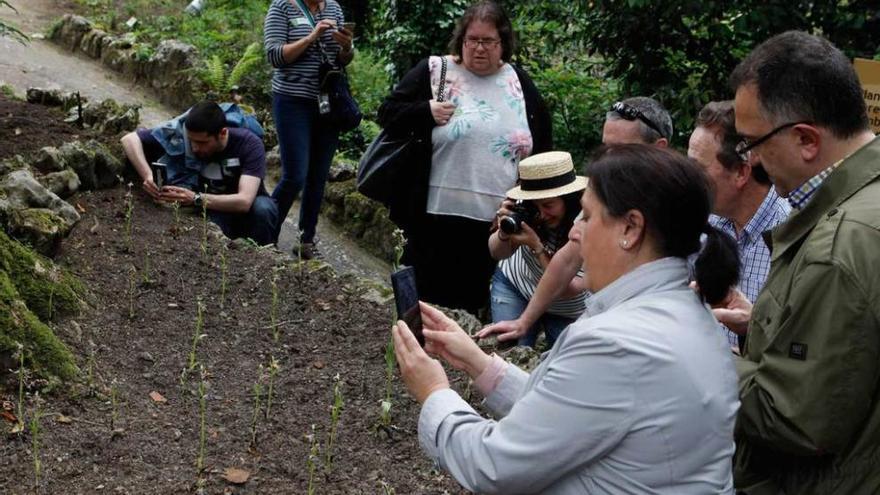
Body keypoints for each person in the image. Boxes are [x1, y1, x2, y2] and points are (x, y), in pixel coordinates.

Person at [392, 145, 740, 494]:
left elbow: (494, 465)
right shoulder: (692, 315)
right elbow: (568, 411)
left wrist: (434, 392)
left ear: (631, 229)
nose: (575, 231)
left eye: (587, 216)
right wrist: (477, 362)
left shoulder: (617, 344)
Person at [714, 31, 880, 494]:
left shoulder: (837, 245)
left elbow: (795, 419)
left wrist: (705, 351)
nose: (752, 162)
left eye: (751, 144)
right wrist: (769, 325)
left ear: (806, 139)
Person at [377, 0, 552, 314]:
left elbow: (541, 146)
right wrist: (425, 112)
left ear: (504, 43)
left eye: (489, 41)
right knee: (423, 305)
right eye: (473, 40)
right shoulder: (435, 71)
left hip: (490, 222)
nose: (480, 49)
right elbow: (387, 113)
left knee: (470, 306)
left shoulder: (518, 83)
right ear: (461, 39)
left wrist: (529, 204)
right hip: (432, 216)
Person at [478, 96, 671, 341]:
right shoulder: (604, 195)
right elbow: (567, 260)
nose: (609, 159)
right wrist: (524, 321)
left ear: (659, 147)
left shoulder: (676, 202)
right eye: (605, 148)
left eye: (621, 150)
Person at [687, 101, 791, 349]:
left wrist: (753, 326)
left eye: (698, 168)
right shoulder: (705, 222)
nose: (688, 177)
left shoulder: (792, 235)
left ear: (741, 173)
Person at [263, 0, 354, 258]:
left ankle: (306, 239)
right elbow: (275, 56)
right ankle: (265, 232)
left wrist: (346, 46)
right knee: (295, 175)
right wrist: (312, 36)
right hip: (292, 101)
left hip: (328, 103)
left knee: (318, 175)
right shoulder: (282, 7)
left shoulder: (334, 8)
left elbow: (342, 60)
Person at [121, 101, 278, 245]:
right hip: (213, 209)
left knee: (264, 209)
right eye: (191, 141)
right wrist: (148, 177)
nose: (195, 148)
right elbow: (129, 140)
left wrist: (195, 198)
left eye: (202, 142)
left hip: (245, 209)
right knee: (207, 234)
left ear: (222, 133)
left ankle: (268, 255)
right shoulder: (182, 133)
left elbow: (244, 202)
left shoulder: (249, 144)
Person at [488, 151, 586, 348]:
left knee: (558, 365)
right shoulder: (524, 209)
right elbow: (497, 253)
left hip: (567, 306)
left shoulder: (587, 221)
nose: (542, 214)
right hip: (516, 284)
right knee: (511, 354)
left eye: (548, 205)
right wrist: (504, 233)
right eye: (536, 207)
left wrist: (536, 247)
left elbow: (569, 288)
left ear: (568, 199)